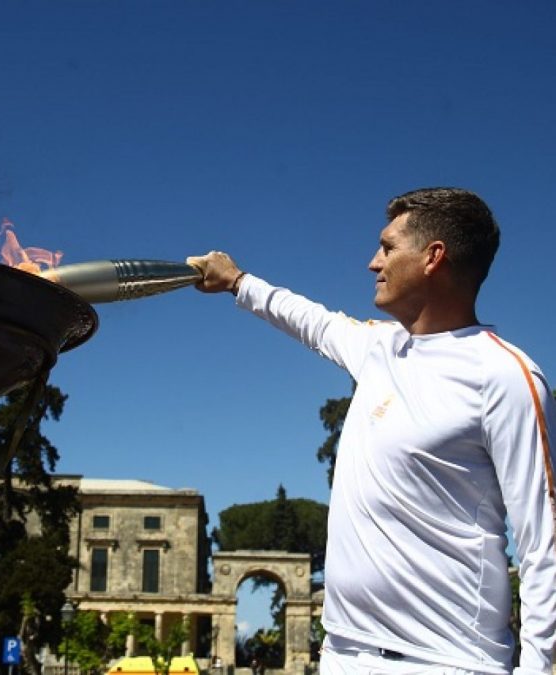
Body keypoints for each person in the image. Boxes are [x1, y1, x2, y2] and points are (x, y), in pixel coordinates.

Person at [188, 188, 556, 674]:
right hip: (342, 654)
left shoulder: (506, 376)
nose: (371, 262)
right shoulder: (378, 347)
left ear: (433, 257)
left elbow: (543, 544)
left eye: (387, 247)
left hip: (446, 662)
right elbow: (309, 319)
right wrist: (237, 280)